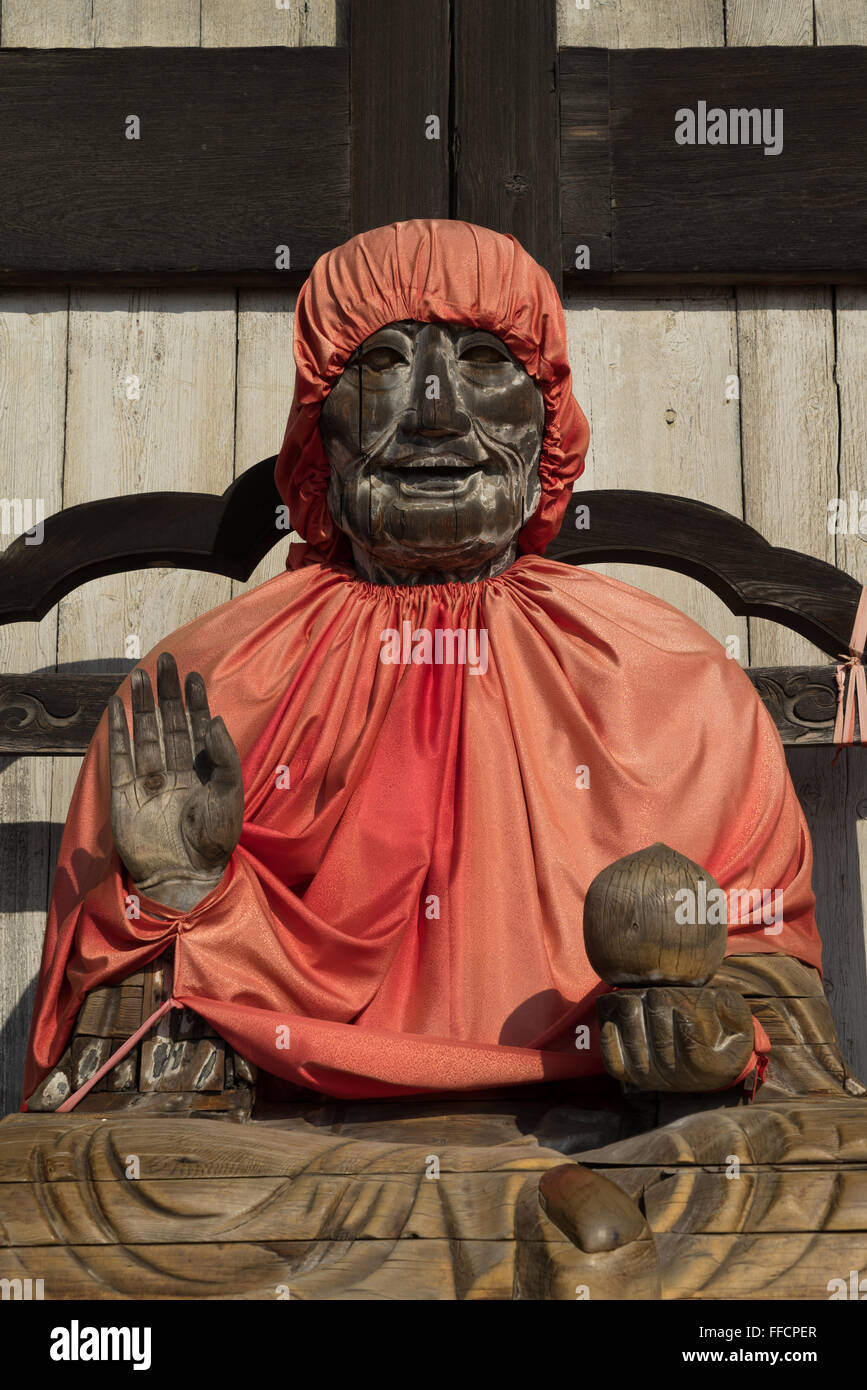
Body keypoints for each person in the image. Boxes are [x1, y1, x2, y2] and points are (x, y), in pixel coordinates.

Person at [23, 219, 824, 1108]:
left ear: (548, 414)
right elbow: (105, 1067)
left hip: (597, 1147)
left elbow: (767, 976)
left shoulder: (674, 680)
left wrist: (704, 1029)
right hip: (290, 1163)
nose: (435, 412)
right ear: (315, 428)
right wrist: (176, 897)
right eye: (380, 365)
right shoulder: (206, 685)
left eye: (483, 360)